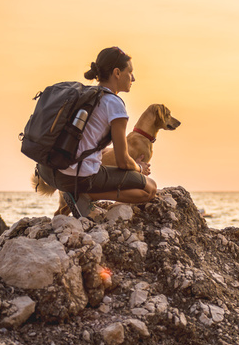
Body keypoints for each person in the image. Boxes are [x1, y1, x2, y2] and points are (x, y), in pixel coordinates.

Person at [36, 46, 156, 218]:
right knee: (150, 188)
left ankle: (78, 193)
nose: (133, 78)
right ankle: (86, 196)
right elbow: (123, 161)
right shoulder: (114, 104)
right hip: (78, 179)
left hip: (50, 171)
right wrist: (139, 167)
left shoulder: (86, 95)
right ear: (117, 72)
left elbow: (85, 142)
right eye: (130, 72)